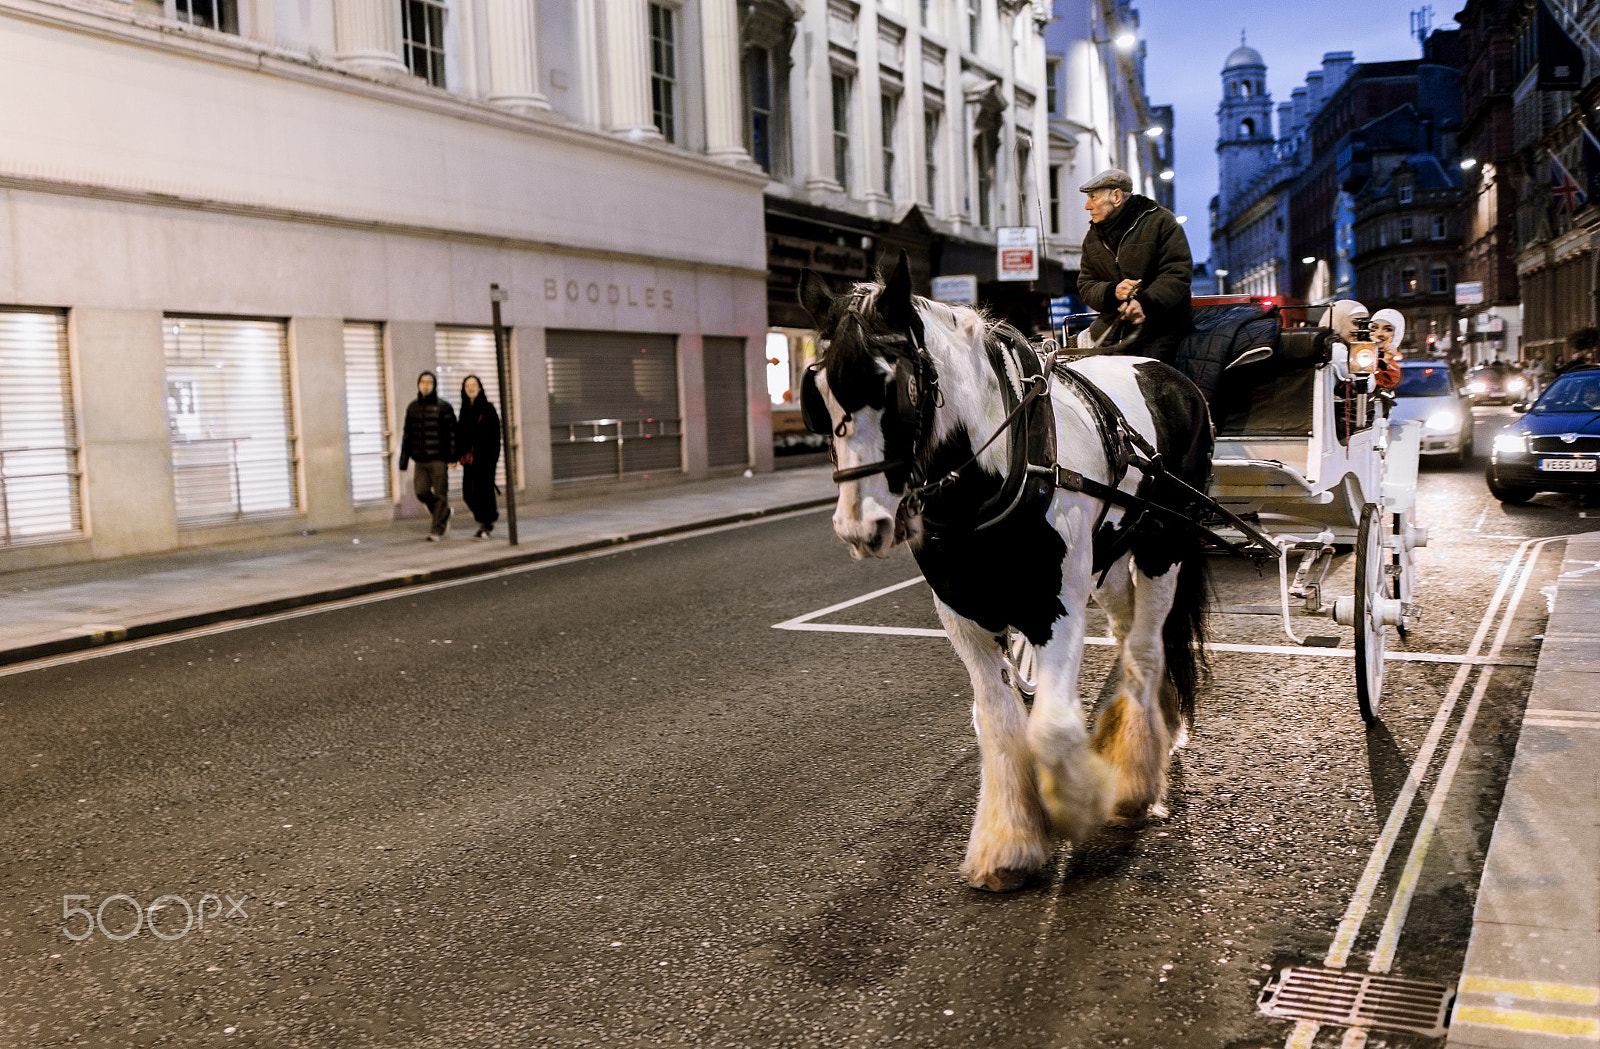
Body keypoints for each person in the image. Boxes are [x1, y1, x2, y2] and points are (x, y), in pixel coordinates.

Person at [1076, 167, 1193, 362]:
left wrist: (1143, 302)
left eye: (1093, 198)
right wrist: (1113, 291)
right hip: (1111, 329)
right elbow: (1086, 285)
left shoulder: (1161, 221)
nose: (1087, 206)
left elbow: (1177, 272)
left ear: (1116, 196)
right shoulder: (1092, 237)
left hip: (1162, 328)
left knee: (1151, 381)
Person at [398, 370, 456, 541]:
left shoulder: (444, 407)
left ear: (434, 385)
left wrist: (452, 457)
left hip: (439, 458)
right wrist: (403, 460)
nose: (425, 385)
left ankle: (436, 530)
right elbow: (407, 434)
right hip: (420, 460)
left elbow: (452, 434)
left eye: (429, 382)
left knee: (440, 493)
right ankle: (443, 513)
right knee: (421, 492)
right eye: (422, 382)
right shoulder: (412, 407)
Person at [455, 374, 502, 541]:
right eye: (467, 385)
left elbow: (495, 436)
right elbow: (460, 435)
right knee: (468, 494)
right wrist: (458, 455)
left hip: (486, 459)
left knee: (485, 492)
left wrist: (491, 458)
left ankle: (486, 524)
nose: (470, 388)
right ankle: (484, 519)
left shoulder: (488, 408)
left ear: (480, 387)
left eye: (474, 384)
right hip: (470, 461)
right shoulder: (464, 409)